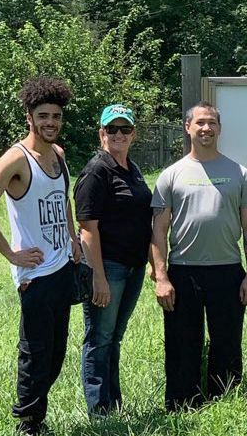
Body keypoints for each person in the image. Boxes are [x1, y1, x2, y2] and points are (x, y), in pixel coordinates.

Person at [0, 77, 81, 435]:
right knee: (35, 351)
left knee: (57, 351)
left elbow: (62, 200)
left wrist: (72, 238)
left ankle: (38, 415)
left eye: (57, 116)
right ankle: (28, 423)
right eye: (43, 115)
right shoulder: (17, 159)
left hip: (63, 265)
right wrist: (11, 254)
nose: (51, 122)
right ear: (29, 118)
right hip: (35, 273)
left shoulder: (59, 155)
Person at [150, 102, 247, 410]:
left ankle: (225, 403)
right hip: (184, 272)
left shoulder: (239, 174)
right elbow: (157, 231)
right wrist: (161, 277)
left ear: (220, 129)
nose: (206, 128)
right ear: (188, 128)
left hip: (228, 272)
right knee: (182, 344)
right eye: (199, 123)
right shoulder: (171, 175)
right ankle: (182, 405)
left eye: (211, 123)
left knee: (227, 343)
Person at [73, 104, 153, 417]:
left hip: (132, 268)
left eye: (125, 129)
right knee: (99, 338)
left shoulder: (131, 169)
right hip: (109, 267)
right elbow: (87, 229)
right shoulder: (97, 171)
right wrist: (98, 277)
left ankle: (113, 403)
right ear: (101, 133)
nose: (118, 134)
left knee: (114, 338)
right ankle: (98, 410)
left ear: (133, 133)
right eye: (112, 129)